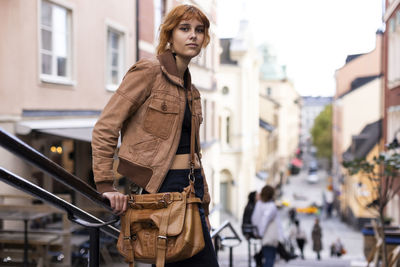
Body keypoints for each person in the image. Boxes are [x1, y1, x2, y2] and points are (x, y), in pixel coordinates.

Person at [91, 4, 219, 266]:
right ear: (169, 35)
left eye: (199, 30)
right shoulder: (149, 72)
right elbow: (106, 126)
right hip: (161, 189)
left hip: (190, 191)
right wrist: (105, 184)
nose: (193, 35)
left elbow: (194, 154)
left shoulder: (192, 92)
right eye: (184, 29)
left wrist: (203, 205)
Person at [251, 185, 283, 267]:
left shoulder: (259, 204)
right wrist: (260, 233)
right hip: (270, 237)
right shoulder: (271, 206)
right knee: (270, 259)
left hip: (264, 235)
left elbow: (254, 219)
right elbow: (265, 220)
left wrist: (257, 232)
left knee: (267, 258)